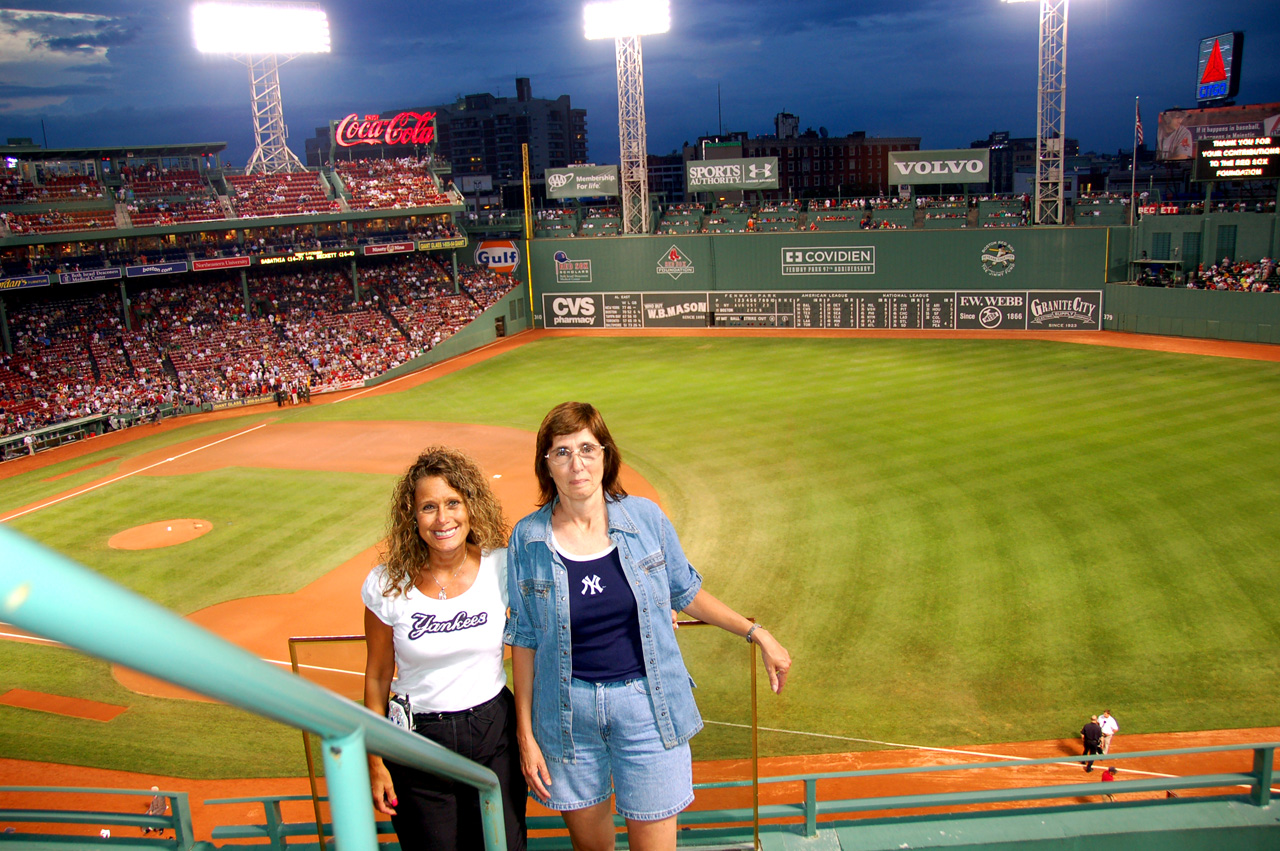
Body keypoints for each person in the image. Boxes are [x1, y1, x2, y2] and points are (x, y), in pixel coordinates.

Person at [506, 401, 793, 851]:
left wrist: (757, 634)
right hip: (566, 718)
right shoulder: (527, 538)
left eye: (587, 448)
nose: (576, 463)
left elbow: (687, 593)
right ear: (547, 465)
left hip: (648, 709)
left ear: (605, 454)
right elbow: (523, 638)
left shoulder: (645, 519)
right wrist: (526, 734)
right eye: (561, 452)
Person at [362, 447, 527, 850]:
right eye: (429, 507)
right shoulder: (387, 584)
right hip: (419, 742)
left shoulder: (500, 566)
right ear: (411, 516)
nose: (443, 519)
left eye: (453, 503)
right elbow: (378, 675)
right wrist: (375, 761)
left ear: (470, 507)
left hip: (494, 732)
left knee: (504, 844)